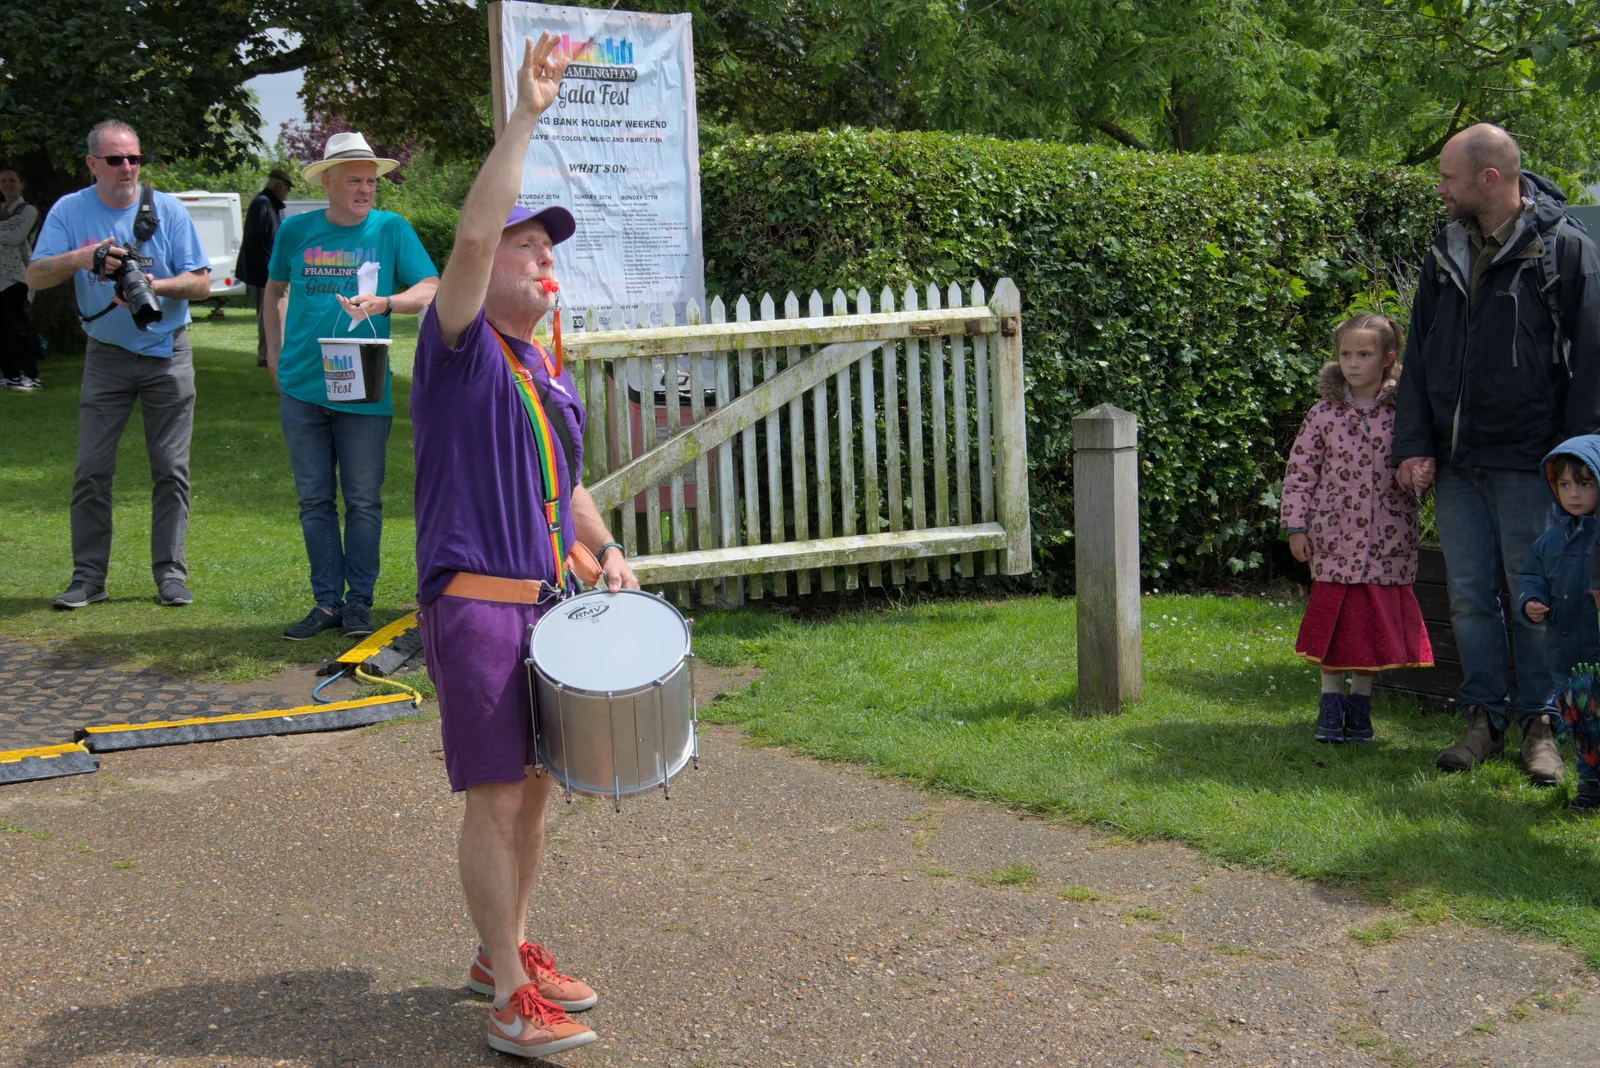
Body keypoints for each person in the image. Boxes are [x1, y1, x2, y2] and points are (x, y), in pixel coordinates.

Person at [413, 34, 639, 1060]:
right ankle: (508, 996)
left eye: (552, 246)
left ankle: (498, 949)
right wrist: (528, 115)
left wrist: (605, 549)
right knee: (497, 795)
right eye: (528, 243)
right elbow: (465, 240)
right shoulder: (456, 345)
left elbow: (566, 484)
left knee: (539, 792)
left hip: (547, 606)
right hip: (474, 602)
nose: (546, 254)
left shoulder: (540, 371)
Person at [1392, 123, 1600, 782]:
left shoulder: (1566, 252)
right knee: (1470, 599)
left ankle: (1542, 726)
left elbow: (1592, 364)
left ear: (1490, 178)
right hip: (1458, 465)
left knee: (1536, 599)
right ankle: (1482, 718)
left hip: (1532, 466)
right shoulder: (1444, 250)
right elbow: (1420, 355)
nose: (1439, 187)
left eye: (1448, 176)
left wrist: (1572, 464)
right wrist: (1415, 444)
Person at [26, 120, 212, 610]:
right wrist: (82, 257)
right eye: (115, 159)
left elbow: (201, 283)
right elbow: (35, 275)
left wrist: (157, 288)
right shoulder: (69, 210)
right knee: (91, 469)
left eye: (134, 158)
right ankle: (88, 578)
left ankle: (171, 576)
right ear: (92, 164)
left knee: (170, 469)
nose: (127, 168)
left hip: (168, 352)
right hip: (105, 356)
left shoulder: (166, 209)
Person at [264, 132, 439, 640]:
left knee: (363, 500)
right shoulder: (295, 231)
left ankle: (359, 604)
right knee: (314, 499)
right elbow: (275, 290)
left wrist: (385, 303)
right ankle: (325, 604)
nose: (366, 189)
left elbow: (431, 287)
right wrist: (273, 353)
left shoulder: (391, 229)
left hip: (363, 386)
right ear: (329, 183)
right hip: (300, 385)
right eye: (355, 180)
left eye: (371, 181)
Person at [1283, 314, 1433, 742]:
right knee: (1335, 625)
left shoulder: (1405, 412)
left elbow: (1411, 465)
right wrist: (1296, 526)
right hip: (1333, 542)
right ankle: (1330, 703)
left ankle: (1360, 705)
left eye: (1364, 354)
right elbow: (1300, 473)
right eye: (1346, 353)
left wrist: (1418, 473)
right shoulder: (1323, 413)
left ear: (1387, 359)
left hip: (1388, 542)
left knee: (1368, 629)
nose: (1353, 362)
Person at [1518, 437, 1600, 804]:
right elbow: (1533, 577)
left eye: (1585, 484)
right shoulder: (1550, 540)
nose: (1574, 494)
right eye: (1564, 484)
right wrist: (1531, 601)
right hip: (1566, 653)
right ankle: (1590, 783)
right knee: (1580, 722)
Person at [236, 167, 292, 368]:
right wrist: (272, 272)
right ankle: (265, 355)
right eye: (287, 188)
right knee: (267, 313)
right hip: (263, 272)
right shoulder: (263, 204)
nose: (288, 193)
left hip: (266, 270)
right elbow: (259, 241)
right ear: (278, 186)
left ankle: (272, 353)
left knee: (274, 312)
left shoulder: (269, 204)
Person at [0, 164, 41, 391]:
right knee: (3, 330)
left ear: (21, 184)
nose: (7, 185)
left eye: (12, 180)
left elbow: (16, 236)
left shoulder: (28, 210)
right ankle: (11, 374)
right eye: (3, 181)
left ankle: (32, 376)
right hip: (0, 277)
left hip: (18, 276)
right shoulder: (2, 208)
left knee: (19, 327)